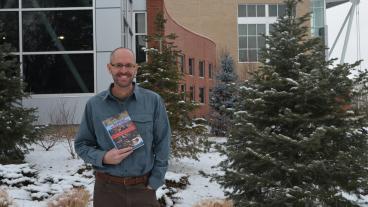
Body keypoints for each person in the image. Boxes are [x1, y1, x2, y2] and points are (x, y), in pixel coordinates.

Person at [74, 47, 171, 207]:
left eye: (129, 65)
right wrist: (104, 157)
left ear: (136, 68)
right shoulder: (94, 105)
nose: (123, 70)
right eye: (118, 65)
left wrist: (156, 180)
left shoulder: (153, 101)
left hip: (143, 189)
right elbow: (81, 145)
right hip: (107, 190)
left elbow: (163, 142)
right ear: (109, 67)